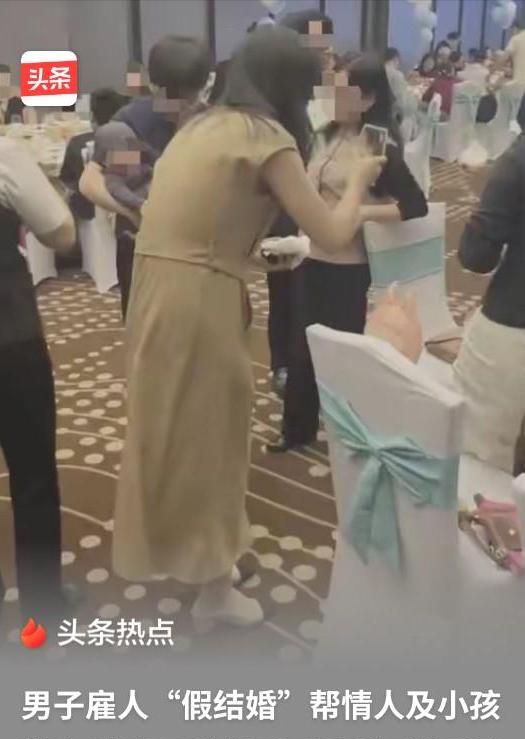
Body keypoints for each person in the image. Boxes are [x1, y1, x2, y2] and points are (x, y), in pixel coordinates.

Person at [111, 27, 384, 628]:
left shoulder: (205, 125)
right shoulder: (266, 138)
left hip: (166, 287)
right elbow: (332, 234)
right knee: (210, 436)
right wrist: (360, 181)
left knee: (182, 429)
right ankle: (212, 589)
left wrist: (251, 258)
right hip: (195, 300)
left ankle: (206, 559)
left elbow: (195, 228)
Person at [267, 54, 427, 454]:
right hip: (308, 256)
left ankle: (349, 435)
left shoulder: (378, 146)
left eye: (342, 92)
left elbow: (415, 205)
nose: (332, 98)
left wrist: (363, 213)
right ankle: (297, 428)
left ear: (368, 98)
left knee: (342, 353)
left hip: (347, 267)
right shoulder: (324, 135)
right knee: (302, 346)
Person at [79, 36, 211, 318]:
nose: (184, 106)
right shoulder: (131, 124)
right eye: (174, 97)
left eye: (192, 97)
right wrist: (136, 212)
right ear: (153, 85)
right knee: (144, 324)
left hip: (199, 247)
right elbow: (90, 183)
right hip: (142, 247)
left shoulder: (210, 122)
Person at [0, 138, 76, 624]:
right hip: (9, 337)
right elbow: (62, 233)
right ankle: (43, 605)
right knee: (32, 474)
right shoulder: (4, 155)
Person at [265, 8, 334, 396]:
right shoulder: (276, 98)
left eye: (326, 47)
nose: (324, 55)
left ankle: (312, 365)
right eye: (316, 47)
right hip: (284, 209)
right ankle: (283, 364)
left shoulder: (333, 90)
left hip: (324, 205)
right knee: (285, 292)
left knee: (319, 293)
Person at [456, 96, 525, 471]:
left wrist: (486, 200)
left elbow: (476, 256)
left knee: (483, 459)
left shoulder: (517, 162)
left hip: (514, 326)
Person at [60, 88, 128, 221]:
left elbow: (66, 181)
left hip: (86, 215)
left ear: (92, 117)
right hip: (123, 216)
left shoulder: (77, 143)